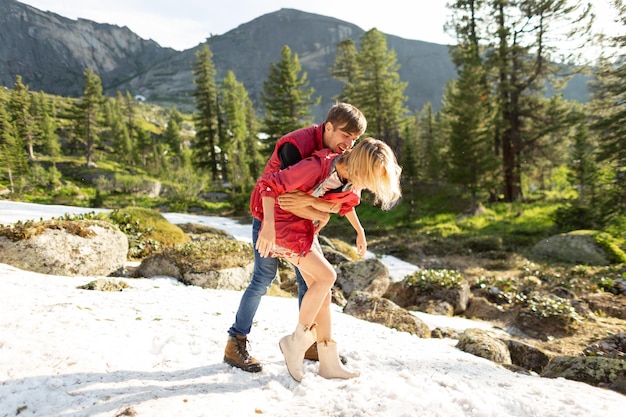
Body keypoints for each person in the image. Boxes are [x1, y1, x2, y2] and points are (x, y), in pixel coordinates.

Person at [224, 102, 367, 373]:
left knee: (311, 280)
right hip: (269, 215)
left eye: (354, 139)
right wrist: (268, 226)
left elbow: (318, 195)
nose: (349, 144)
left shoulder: (335, 154)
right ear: (328, 128)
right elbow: (280, 194)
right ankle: (236, 343)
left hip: (299, 218)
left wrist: (325, 213)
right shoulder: (296, 146)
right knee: (263, 278)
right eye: (345, 136)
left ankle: (308, 342)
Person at [255, 137, 402, 381]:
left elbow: (344, 205)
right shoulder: (317, 166)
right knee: (327, 276)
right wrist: (268, 225)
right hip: (283, 227)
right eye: (371, 177)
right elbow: (268, 184)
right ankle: (295, 341)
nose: (369, 185)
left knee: (324, 290)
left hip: (303, 229)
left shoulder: (349, 177)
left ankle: (328, 361)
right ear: (362, 167)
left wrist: (359, 230)